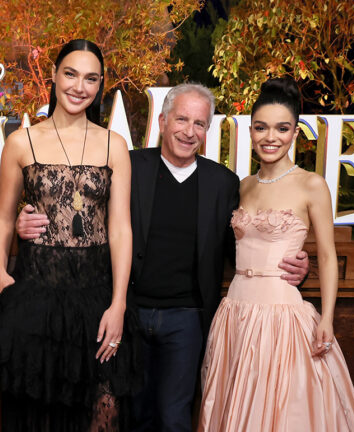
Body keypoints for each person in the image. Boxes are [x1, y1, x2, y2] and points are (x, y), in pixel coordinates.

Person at [18, 82, 310, 431]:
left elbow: (244, 247)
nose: (189, 131)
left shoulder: (223, 183)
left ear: (207, 129)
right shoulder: (129, 166)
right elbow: (83, 209)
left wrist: (294, 261)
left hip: (186, 319)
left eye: (199, 123)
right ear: (162, 120)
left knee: (174, 417)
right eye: (181, 119)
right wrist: (26, 218)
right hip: (130, 313)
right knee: (134, 416)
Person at [0, 39, 142, 431]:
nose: (80, 87)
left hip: (97, 299)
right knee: (38, 415)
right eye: (71, 74)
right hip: (37, 295)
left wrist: (118, 304)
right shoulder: (21, 142)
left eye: (91, 78)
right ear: (53, 75)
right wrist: (0, 275)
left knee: (104, 412)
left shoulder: (114, 146)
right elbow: (3, 219)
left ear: (100, 86)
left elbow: (120, 228)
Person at [198, 78, 354, 431]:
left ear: (294, 133)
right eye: (261, 128)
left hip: (282, 318)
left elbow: (325, 254)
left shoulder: (312, 184)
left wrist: (327, 317)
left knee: (280, 411)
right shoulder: (243, 185)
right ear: (250, 131)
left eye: (281, 128)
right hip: (235, 314)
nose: (270, 137)